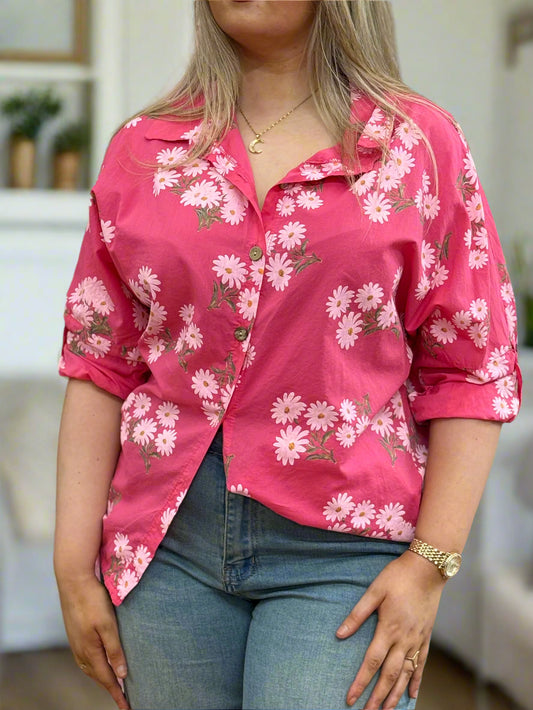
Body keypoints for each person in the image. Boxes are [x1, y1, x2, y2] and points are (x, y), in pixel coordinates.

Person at [54, 2, 521, 709]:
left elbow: (470, 365)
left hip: (348, 552)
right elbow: (100, 362)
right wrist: (71, 567)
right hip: (167, 542)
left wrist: (430, 565)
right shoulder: (143, 149)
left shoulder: (418, 147)